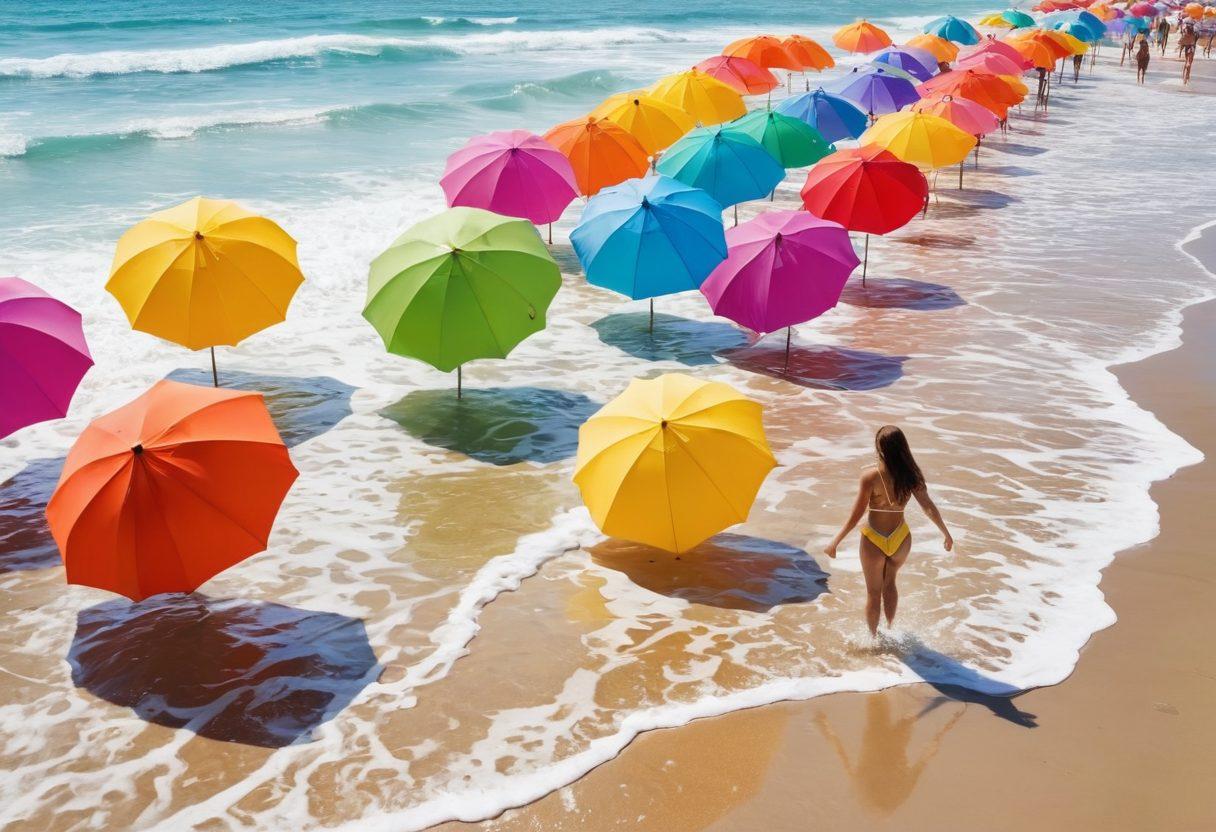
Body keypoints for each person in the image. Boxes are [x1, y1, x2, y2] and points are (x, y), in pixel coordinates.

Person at [823, 426, 953, 636]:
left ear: (880, 448)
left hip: (874, 538)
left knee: (873, 594)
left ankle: (873, 640)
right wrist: (946, 533)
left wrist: (835, 542)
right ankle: (891, 632)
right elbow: (928, 505)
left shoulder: (870, 477)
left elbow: (856, 515)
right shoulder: (912, 477)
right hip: (901, 538)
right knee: (890, 582)